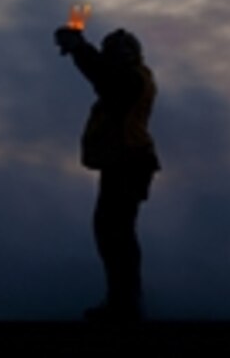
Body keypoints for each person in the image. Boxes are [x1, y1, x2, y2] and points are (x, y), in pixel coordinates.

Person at [54, 25, 161, 322]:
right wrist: (80, 50)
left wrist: (78, 48)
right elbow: (102, 77)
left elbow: (104, 80)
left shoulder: (130, 80)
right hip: (124, 162)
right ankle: (123, 300)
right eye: (114, 52)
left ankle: (124, 304)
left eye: (123, 52)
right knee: (114, 232)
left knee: (115, 233)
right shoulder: (131, 78)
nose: (118, 56)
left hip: (129, 162)